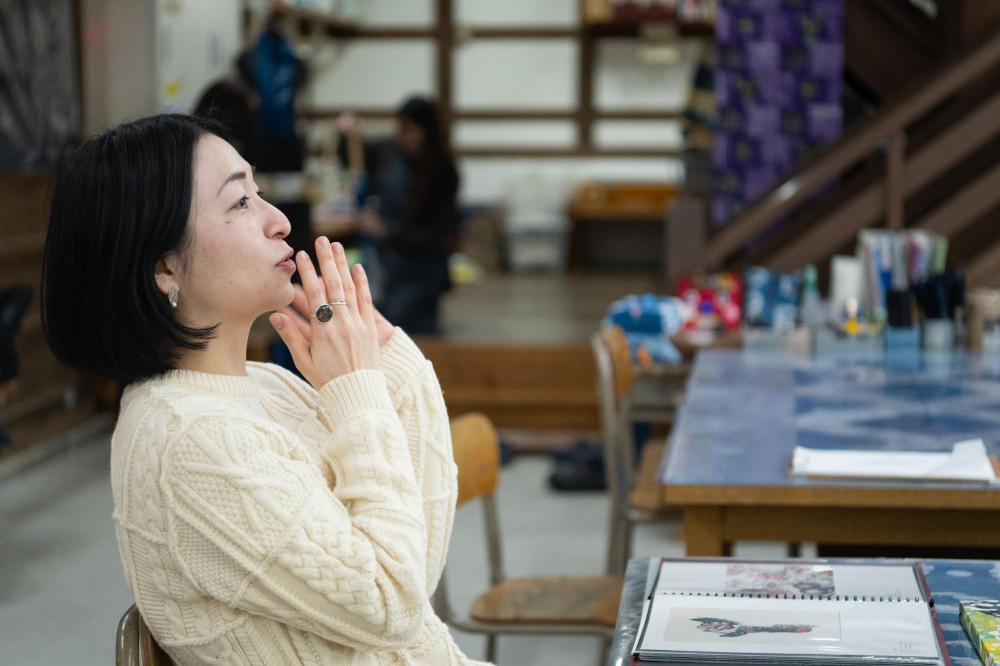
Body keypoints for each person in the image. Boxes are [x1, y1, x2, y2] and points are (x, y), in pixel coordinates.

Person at [40, 114, 486, 666]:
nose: (279, 220)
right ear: (164, 267)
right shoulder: (189, 440)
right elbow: (392, 603)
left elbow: (412, 575)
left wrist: (392, 362)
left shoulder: (265, 384)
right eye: (239, 202)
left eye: (259, 192)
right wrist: (359, 391)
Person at [337, 97, 460, 335]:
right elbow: (356, 153)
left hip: (423, 267)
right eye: (401, 128)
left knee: (408, 332)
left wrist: (385, 230)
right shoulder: (392, 153)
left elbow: (435, 232)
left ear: (427, 132)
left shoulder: (444, 172)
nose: (403, 136)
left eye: (409, 130)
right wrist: (346, 134)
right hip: (390, 264)